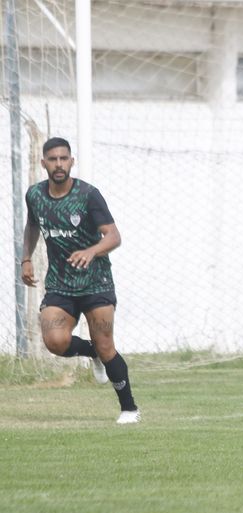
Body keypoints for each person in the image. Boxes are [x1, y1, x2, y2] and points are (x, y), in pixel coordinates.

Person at [21, 137, 140, 424]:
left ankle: (129, 409)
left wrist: (91, 251)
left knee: (106, 344)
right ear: (44, 163)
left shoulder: (88, 195)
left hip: (96, 283)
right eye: (53, 159)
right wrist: (25, 258)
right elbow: (32, 225)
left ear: (71, 161)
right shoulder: (35, 195)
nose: (59, 164)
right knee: (54, 341)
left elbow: (113, 236)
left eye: (64, 158)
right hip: (60, 284)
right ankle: (91, 352)